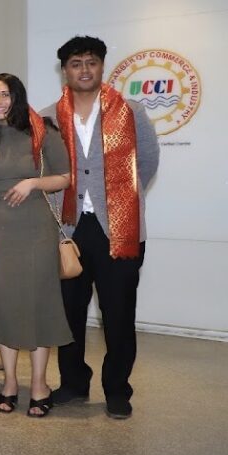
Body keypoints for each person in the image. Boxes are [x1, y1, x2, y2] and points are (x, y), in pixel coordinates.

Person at [41, 35, 159, 420]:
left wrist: (121, 201)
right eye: (76, 63)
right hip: (69, 230)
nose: (84, 70)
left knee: (119, 315)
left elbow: (147, 162)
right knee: (69, 314)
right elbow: (43, 170)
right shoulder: (47, 117)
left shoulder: (130, 111)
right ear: (64, 70)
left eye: (91, 62)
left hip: (119, 230)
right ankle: (74, 383)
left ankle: (117, 390)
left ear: (102, 66)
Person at [0, 73, 73, 418]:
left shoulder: (43, 132)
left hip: (37, 230)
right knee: (4, 306)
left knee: (40, 305)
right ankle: (10, 383)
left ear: (17, 97)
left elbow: (65, 177)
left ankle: (40, 385)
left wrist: (32, 183)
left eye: (5, 95)